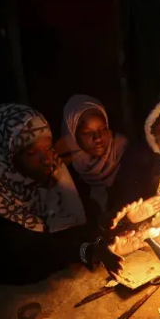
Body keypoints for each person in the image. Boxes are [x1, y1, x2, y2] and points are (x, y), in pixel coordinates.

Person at [0, 104, 160, 285]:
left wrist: (117, 224)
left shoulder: (51, 173)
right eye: (31, 153)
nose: (47, 159)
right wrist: (87, 251)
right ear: (6, 156)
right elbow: (30, 255)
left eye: (47, 147)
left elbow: (83, 220)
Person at [57, 94, 129, 223]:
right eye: (87, 133)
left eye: (103, 129)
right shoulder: (66, 163)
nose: (98, 138)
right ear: (73, 134)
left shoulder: (124, 151)